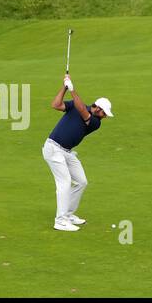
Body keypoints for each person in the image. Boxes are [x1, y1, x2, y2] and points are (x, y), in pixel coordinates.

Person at [43, 74, 114, 232]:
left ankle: (68, 214)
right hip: (53, 148)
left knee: (82, 181)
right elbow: (56, 105)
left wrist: (73, 89)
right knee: (64, 183)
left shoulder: (95, 122)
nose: (105, 117)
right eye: (104, 113)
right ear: (97, 108)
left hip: (67, 152)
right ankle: (60, 221)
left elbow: (82, 110)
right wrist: (65, 87)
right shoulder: (77, 105)